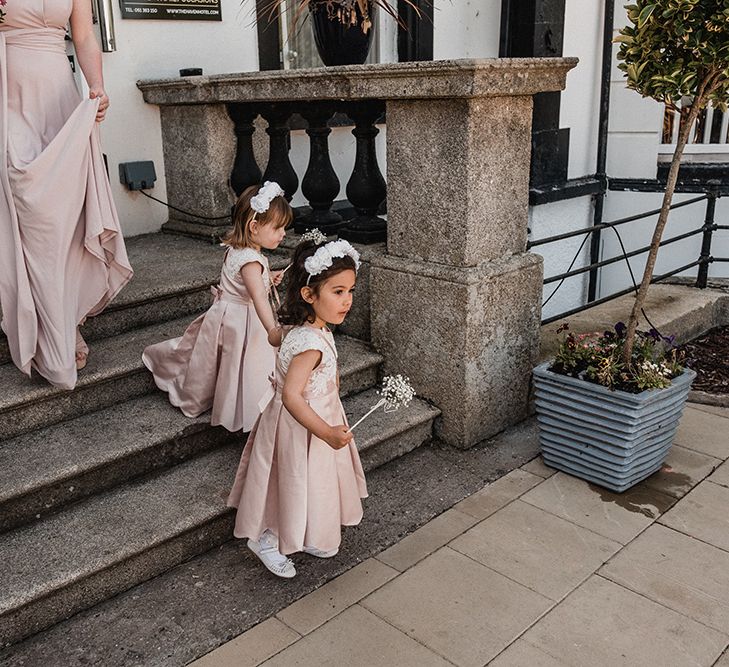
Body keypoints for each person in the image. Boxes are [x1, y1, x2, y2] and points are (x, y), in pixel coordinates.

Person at [0, 0, 133, 389]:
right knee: (32, 214)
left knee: (66, 219)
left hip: (59, 97)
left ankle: (64, 321)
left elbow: (85, 35)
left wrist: (97, 87)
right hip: (9, 95)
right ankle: (47, 333)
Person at [227, 237, 368, 579]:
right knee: (288, 478)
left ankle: (300, 530)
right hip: (300, 425)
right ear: (309, 295)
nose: (347, 300)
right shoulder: (309, 343)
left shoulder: (304, 327)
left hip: (308, 417)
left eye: (350, 291)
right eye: (337, 292)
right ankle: (267, 539)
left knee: (304, 480)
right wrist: (327, 432)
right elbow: (292, 396)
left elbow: (275, 337)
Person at [142, 182, 291, 432]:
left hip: (226, 315)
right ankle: (248, 411)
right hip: (244, 321)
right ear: (254, 227)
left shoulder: (237, 249)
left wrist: (269, 276)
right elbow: (258, 298)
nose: (283, 233)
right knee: (244, 364)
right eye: (278, 227)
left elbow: (244, 283)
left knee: (218, 361)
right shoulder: (251, 261)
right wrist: (272, 330)